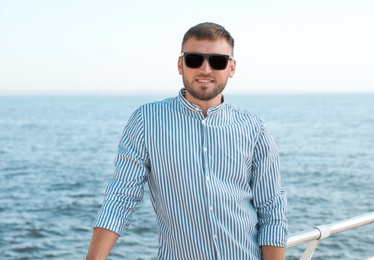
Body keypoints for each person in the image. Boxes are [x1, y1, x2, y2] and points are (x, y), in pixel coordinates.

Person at [86, 22, 288, 260]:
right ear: (180, 64)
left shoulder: (255, 129)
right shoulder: (146, 120)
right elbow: (121, 198)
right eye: (194, 59)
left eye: (218, 61)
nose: (205, 69)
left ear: (231, 68)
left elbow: (271, 210)